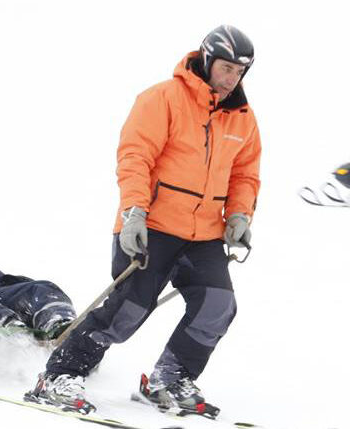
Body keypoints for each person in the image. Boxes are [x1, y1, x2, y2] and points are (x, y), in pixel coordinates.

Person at [27, 25, 262, 417]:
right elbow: (135, 156)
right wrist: (134, 210)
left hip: (203, 233)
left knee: (218, 305)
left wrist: (239, 214)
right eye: (225, 68)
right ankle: (59, 376)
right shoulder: (163, 98)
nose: (230, 78)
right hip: (151, 225)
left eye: (239, 72)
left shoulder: (242, 118)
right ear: (206, 60)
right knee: (128, 311)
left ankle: (170, 379)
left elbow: (245, 174)